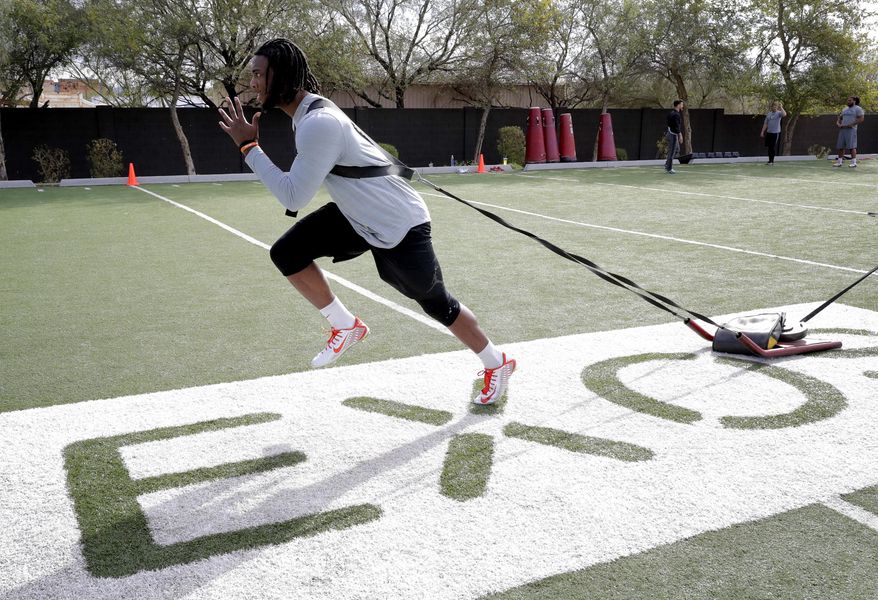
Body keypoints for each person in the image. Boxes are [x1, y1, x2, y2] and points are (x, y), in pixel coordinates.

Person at [217, 38, 515, 405]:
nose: (253, 83)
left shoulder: (317, 122)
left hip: (397, 223)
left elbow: (293, 195)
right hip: (359, 216)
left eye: (259, 74)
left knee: (438, 304)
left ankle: (496, 362)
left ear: (283, 75)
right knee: (287, 252)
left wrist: (249, 148)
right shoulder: (307, 116)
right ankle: (345, 325)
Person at [834, 96, 866, 168]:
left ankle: (854, 163)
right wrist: (838, 123)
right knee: (841, 146)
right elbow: (840, 118)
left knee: (852, 147)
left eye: (849, 100)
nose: (848, 102)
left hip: (851, 130)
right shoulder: (845, 109)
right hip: (842, 130)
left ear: (854, 101)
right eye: (847, 100)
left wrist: (852, 124)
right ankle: (839, 162)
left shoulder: (858, 108)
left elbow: (861, 118)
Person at [760, 101, 786, 165]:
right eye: (773, 106)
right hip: (769, 132)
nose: (774, 107)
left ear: (777, 107)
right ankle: (769, 161)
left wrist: (781, 107)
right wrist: (762, 131)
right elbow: (765, 123)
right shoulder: (769, 114)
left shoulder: (779, 113)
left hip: (775, 133)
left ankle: (772, 161)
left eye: (775, 106)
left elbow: (784, 114)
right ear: (771, 107)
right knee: (769, 147)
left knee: (772, 146)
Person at [665, 100, 684, 174]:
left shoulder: (671, 113)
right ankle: (669, 168)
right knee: (672, 151)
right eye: (681, 105)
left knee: (676, 149)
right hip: (672, 134)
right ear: (678, 105)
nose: (682, 106)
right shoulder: (676, 114)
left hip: (670, 133)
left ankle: (667, 164)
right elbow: (676, 126)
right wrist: (680, 135)